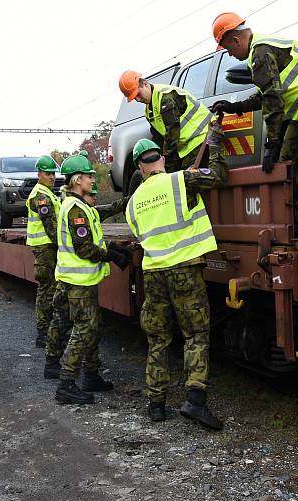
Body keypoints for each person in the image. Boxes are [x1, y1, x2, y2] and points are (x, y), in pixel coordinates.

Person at [211, 12, 298, 238]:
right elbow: (267, 94)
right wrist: (236, 108)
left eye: (228, 48)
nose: (230, 54)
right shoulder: (262, 50)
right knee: (289, 161)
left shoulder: (260, 51)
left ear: (235, 40)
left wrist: (272, 142)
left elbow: (273, 100)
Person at [124, 118, 227, 430]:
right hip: (184, 269)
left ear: (138, 168)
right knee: (195, 334)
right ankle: (195, 402)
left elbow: (141, 236)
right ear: (162, 159)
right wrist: (216, 142)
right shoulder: (181, 180)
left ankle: (156, 405)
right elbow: (219, 175)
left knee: (157, 339)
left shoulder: (132, 204)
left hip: (154, 274)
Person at [53, 152, 132, 404]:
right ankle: (66, 383)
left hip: (82, 280)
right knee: (84, 330)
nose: (91, 180)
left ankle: (91, 375)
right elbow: (85, 249)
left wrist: (134, 197)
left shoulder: (82, 207)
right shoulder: (76, 211)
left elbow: (106, 210)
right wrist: (111, 254)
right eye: (88, 176)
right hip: (78, 281)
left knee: (92, 328)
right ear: (77, 180)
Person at [118, 70, 212, 173]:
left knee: (187, 180)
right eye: (134, 98)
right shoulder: (149, 112)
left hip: (203, 138)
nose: (138, 99)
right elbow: (159, 138)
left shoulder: (165, 97)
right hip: (188, 146)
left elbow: (172, 133)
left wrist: (165, 165)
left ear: (145, 83)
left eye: (138, 94)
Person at [26, 155, 60, 349]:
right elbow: (50, 227)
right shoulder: (41, 196)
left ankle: (45, 331)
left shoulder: (47, 193)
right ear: (39, 174)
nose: (52, 177)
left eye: (53, 173)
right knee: (47, 289)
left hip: (46, 247)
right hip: (45, 247)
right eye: (48, 174)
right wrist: (64, 245)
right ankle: (42, 333)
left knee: (48, 289)